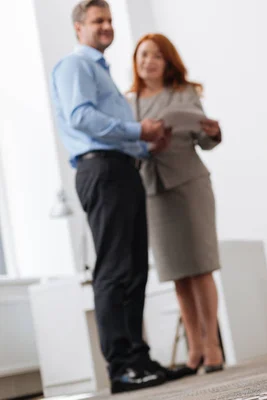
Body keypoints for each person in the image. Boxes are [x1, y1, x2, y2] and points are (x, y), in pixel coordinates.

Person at [50, 1, 188, 394]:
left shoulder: (101, 72)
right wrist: (137, 130)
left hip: (121, 168)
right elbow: (81, 118)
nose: (107, 26)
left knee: (134, 269)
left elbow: (115, 132)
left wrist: (146, 144)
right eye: (98, 21)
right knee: (113, 269)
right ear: (79, 28)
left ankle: (139, 357)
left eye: (109, 20)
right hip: (101, 170)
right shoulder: (75, 67)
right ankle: (121, 366)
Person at [126, 33, 224, 375]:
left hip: (190, 184)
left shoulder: (185, 92)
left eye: (155, 56)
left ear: (167, 61)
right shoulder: (130, 102)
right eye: (142, 56)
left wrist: (213, 132)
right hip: (153, 190)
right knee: (177, 273)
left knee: (201, 266)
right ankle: (193, 348)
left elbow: (205, 140)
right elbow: (127, 148)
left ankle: (212, 344)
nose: (148, 61)